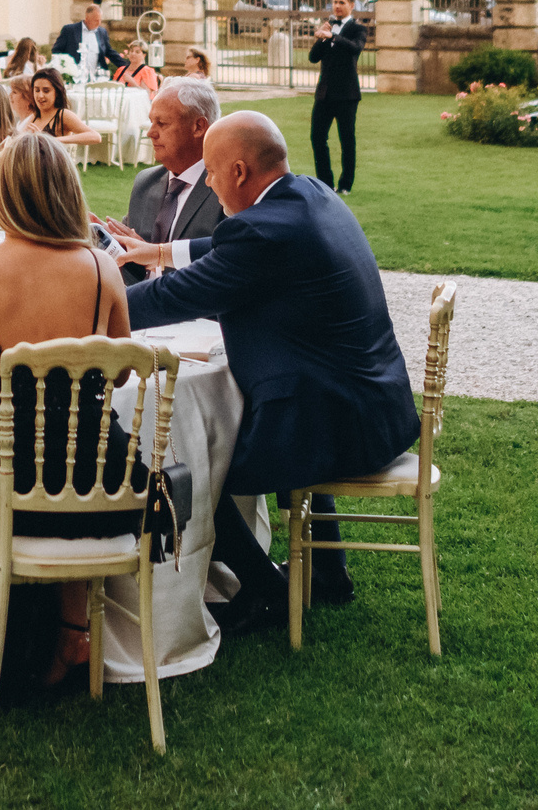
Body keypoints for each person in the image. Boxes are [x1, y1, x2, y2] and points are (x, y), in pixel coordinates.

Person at [123, 112, 420, 632]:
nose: (208, 185)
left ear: (238, 171)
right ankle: (329, 574)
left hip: (333, 420)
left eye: (211, 174)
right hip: (374, 405)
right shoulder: (309, 195)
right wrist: (161, 251)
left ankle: (266, 591)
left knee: (193, 471)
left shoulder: (263, 234)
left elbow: (174, 297)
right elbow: (225, 245)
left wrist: (88, 301)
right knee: (237, 436)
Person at [0, 132, 143, 687]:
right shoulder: (102, 268)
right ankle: (73, 632)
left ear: (0, 194)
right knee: (67, 471)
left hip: (12, 486)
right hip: (103, 482)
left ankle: (4, 644)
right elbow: (121, 369)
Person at [102, 77, 223, 284]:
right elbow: (131, 263)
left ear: (198, 127)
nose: (150, 133)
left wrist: (156, 258)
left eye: (162, 123)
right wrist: (109, 241)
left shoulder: (226, 188)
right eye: (151, 122)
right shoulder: (146, 181)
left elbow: (227, 263)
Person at [306, 0, 367, 194]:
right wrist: (322, 38)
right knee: (317, 137)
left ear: (351, 5)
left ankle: (345, 184)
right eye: (334, 2)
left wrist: (333, 36)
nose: (337, 6)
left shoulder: (358, 29)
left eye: (341, 2)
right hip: (324, 93)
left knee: (346, 139)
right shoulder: (328, 26)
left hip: (347, 94)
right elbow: (313, 58)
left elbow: (355, 48)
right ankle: (325, 182)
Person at [16, 68, 101, 148]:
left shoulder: (63, 115)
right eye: (37, 90)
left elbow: (95, 137)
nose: (40, 96)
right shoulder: (35, 116)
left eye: (46, 91)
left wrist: (53, 140)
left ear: (56, 92)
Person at [51, 5, 123, 77]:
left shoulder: (102, 32)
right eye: (96, 20)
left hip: (97, 77)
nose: (99, 23)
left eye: (100, 20)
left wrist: (126, 67)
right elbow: (56, 51)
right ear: (87, 18)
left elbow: (109, 52)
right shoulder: (70, 30)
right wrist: (64, 70)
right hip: (75, 77)